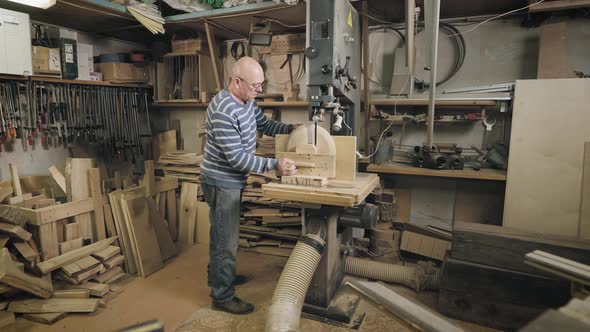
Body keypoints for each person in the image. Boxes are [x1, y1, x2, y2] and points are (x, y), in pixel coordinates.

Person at [200, 56, 298, 315]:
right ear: (236, 81)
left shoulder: (247, 101)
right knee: (227, 241)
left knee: (221, 234)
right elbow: (237, 159)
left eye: (261, 85)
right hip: (221, 181)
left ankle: (219, 276)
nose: (259, 90)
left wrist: (293, 129)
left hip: (231, 180)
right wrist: (274, 165)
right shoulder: (223, 110)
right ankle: (221, 295)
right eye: (255, 86)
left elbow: (265, 124)